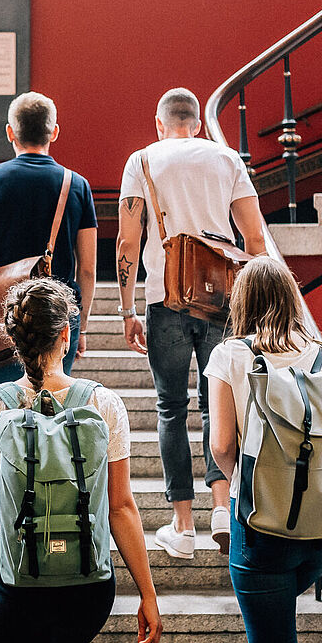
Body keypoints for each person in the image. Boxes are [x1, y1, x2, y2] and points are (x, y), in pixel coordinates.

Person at [0, 278, 163, 643]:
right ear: (66, 334)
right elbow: (120, 508)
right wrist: (148, 594)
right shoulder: (105, 403)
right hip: (86, 585)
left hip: (15, 581)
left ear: (13, 341)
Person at [205, 257, 322, 643]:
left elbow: (222, 444)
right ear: (291, 300)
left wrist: (249, 485)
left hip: (260, 530)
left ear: (242, 301)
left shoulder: (230, 355)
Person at [116, 86, 267, 559]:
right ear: (198, 124)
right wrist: (258, 306)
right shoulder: (226, 159)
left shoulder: (142, 161)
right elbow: (256, 237)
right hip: (222, 301)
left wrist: (127, 310)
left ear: (158, 124)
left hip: (166, 300)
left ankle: (182, 526)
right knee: (218, 404)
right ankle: (222, 507)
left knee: (171, 409)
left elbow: (126, 243)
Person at [0, 91, 98, 388]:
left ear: (10, 132)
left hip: (7, 313)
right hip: (59, 313)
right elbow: (87, 269)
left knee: (6, 409)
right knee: (54, 408)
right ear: (54, 132)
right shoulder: (77, 185)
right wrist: (80, 326)